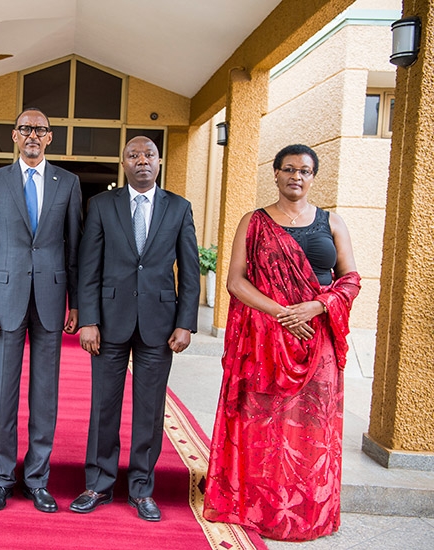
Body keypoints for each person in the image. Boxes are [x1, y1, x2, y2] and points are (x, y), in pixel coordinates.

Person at [202, 144, 361, 541]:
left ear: (313, 177)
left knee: (313, 427)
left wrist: (316, 306)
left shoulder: (332, 223)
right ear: (274, 173)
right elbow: (236, 281)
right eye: (288, 169)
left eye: (304, 171)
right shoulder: (253, 222)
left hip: (317, 337)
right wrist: (280, 313)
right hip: (264, 339)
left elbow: (350, 279)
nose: (296, 176)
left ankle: (307, 509)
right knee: (265, 421)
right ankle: (260, 505)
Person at [69, 136, 199, 522]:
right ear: (123, 163)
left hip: (159, 326)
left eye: (149, 155)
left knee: (149, 409)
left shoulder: (179, 208)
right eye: (133, 155)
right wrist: (89, 320)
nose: (141, 160)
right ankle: (98, 483)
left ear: (159, 162)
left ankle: (142, 488)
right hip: (108, 323)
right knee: (103, 408)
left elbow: (189, 271)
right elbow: (88, 266)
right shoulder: (102, 206)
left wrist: (186, 323)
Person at [0, 107, 83, 513]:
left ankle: (37, 479)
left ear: (50, 137)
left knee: (45, 394)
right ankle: (2, 479)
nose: (33, 135)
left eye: (40, 129)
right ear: (15, 136)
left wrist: (78, 304)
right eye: (25, 129)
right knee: (4, 392)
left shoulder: (67, 183)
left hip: (52, 302)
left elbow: (75, 251)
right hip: (4, 302)